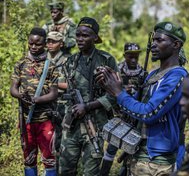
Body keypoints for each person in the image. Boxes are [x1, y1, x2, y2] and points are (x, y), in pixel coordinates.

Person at [96, 21, 188, 176]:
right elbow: (136, 109)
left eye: (160, 40)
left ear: (176, 44)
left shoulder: (177, 76)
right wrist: (112, 86)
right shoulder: (153, 75)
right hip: (139, 152)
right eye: (154, 40)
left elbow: (149, 113)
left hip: (157, 160)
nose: (153, 45)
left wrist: (119, 93)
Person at [58, 17, 118, 176]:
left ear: (95, 38)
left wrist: (87, 106)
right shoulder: (70, 62)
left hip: (95, 126)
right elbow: (63, 89)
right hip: (72, 127)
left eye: (85, 35)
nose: (80, 39)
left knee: (91, 172)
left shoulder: (106, 60)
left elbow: (115, 94)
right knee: (65, 170)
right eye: (78, 35)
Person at [10, 27, 58, 176]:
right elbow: (13, 88)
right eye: (31, 43)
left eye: (37, 44)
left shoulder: (50, 65)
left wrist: (37, 100)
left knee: (49, 158)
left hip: (45, 120)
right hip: (26, 120)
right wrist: (20, 96)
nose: (33, 46)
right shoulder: (20, 64)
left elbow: (54, 93)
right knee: (29, 158)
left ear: (44, 45)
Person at [100, 42, 146, 176]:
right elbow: (107, 91)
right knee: (112, 148)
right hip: (118, 115)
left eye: (136, 56)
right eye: (130, 56)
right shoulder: (117, 71)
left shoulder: (143, 73)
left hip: (134, 116)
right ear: (124, 55)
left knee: (131, 149)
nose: (133, 59)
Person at [46, 31, 69, 170]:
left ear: (61, 44)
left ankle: (60, 168)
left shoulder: (68, 60)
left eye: (53, 41)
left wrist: (51, 84)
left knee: (61, 139)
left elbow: (72, 84)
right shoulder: (43, 59)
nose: (49, 44)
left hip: (62, 104)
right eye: (48, 41)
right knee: (46, 138)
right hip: (45, 104)